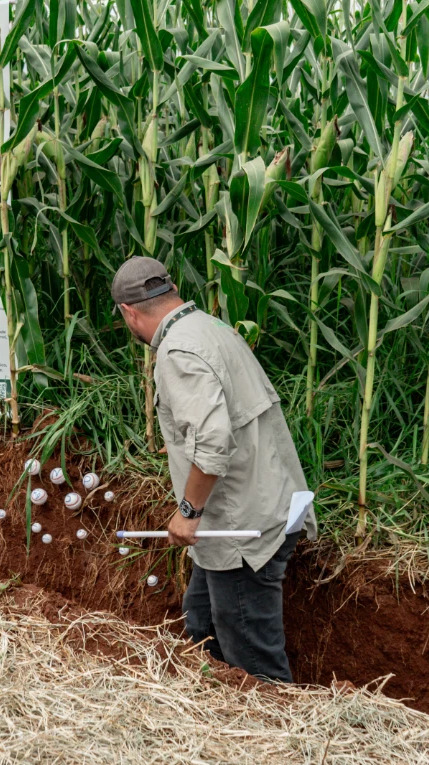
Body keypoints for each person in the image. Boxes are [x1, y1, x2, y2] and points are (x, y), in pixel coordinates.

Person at [112, 257, 317, 683]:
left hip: (241, 528)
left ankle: (270, 720)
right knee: (201, 626)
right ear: (171, 290)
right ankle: (207, 705)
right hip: (265, 505)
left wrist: (188, 512)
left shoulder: (177, 351)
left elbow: (212, 441)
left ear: (129, 312)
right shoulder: (211, 327)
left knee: (252, 663)